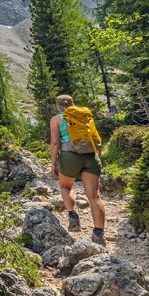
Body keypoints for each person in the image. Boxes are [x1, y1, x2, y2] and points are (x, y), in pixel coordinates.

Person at [50, 94, 106, 245]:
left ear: (58, 106)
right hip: (90, 156)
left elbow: (55, 143)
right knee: (94, 197)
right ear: (73, 104)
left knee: (66, 186)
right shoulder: (84, 115)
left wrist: (53, 163)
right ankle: (99, 234)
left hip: (69, 157)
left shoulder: (57, 119)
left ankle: (73, 217)